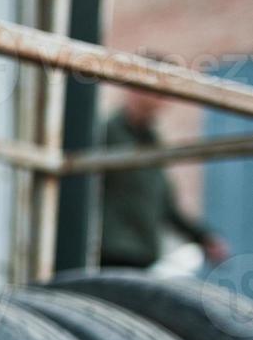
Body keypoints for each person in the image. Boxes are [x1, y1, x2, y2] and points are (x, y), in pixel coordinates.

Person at [98, 84, 231, 270]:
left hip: (143, 257)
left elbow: (166, 205)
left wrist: (203, 237)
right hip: (108, 256)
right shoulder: (105, 135)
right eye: (159, 91)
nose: (164, 101)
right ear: (136, 89)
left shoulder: (152, 142)